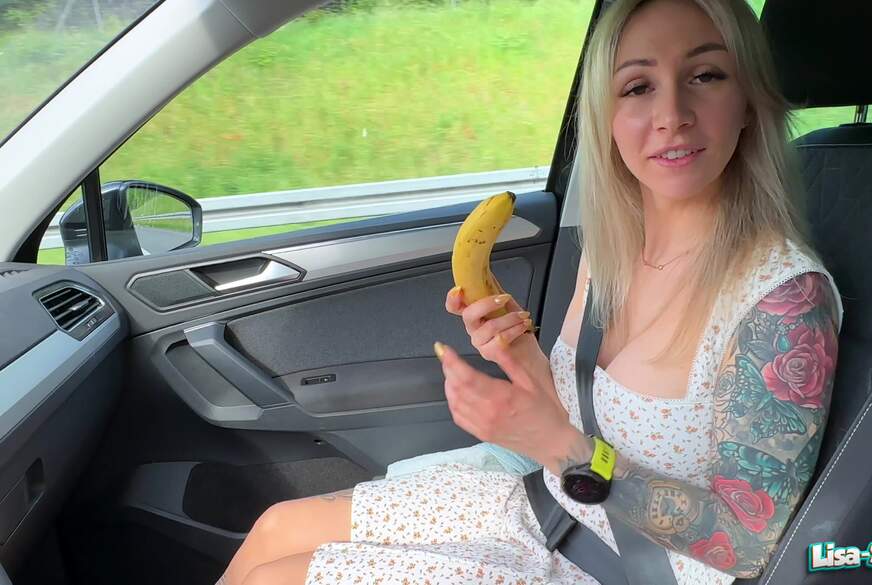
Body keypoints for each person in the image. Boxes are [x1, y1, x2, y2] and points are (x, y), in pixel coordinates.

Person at [216, 0, 843, 583]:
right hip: (553, 511)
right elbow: (579, 417)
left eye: (705, 76)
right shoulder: (615, 249)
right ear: (606, 116)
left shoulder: (783, 302)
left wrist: (556, 446)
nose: (671, 114)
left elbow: (751, 542)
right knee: (276, 529)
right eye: (638, 86)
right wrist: (519, 358)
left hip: (626, 569)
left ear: (747, 102)